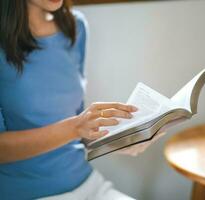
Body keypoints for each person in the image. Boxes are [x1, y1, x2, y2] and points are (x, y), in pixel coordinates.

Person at [0, 0, 145, 199]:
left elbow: (75, 121)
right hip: (29, 193)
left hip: (89, 183)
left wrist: (113, 139)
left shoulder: (75, 27)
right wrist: (75, 127)